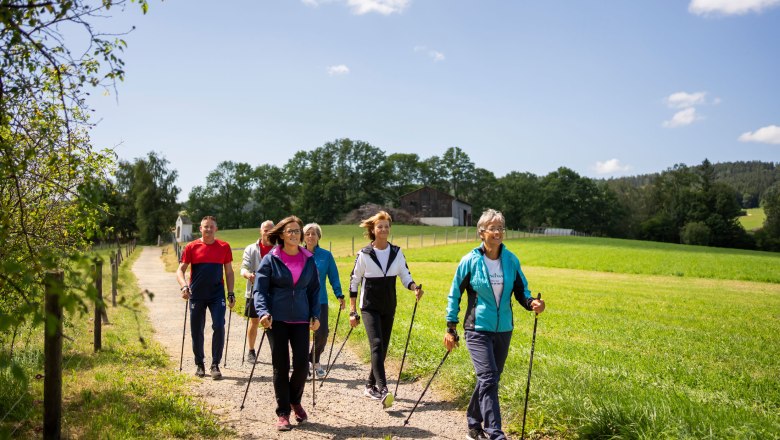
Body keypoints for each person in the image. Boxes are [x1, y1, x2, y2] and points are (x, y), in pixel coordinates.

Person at [444, 209, 546, 440]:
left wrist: (533, 303)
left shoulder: (510, 260)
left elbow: (521, 291)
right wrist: (451, 327)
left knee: (490, 379)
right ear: (482, 232)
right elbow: (454, 294)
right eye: (493, 228)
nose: (498, 232)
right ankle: (495, 433)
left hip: (504, 329)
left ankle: (473, 422)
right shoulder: (469, 261)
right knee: (489, 378)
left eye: (501, 227)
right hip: (477, 328)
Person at [348, 210, 423, 409]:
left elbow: (405, 275)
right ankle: (383, 390)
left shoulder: (397, 253)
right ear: (373, 229)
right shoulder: (364, 254)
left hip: (389, 305)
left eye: (386, 226)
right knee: (377, 344)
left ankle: (370, 385)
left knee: (383, 348)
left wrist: (414, 288)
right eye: (379, 226)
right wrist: (352, 310)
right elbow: (354, 281)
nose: (383, 229)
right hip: (369, 306)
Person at [254, 215, 321, 432]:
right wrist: (263, 312)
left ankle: (294, 400)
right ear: (282, 234)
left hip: (301, 318)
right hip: (277, 319)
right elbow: (260, 290)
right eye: (290, 231)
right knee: (280, 366)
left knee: (302, 365)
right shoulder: (271, 258)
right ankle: (283, 412)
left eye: (297, 231)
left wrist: (315, 314)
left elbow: (314, 290)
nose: (294, 234)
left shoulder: (308, 258)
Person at [176, 216, 236, 380]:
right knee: (197, 329)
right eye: (205, 227)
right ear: (200, 229)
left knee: (218, 325)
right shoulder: (191, 247)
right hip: (197, 294)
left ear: (216, 229)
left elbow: (229, 272)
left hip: (217, 295)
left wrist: (231, 293)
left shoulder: (224, 247)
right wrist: (183, 287)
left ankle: (215, 364)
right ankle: (199, 364)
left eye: (211, 227)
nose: (208, 229)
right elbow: (180, 270)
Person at [303, 223, 345, 378]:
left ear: (319, 237)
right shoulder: (298, 254)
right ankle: (303, 365)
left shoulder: (326, 256)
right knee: (301, 334)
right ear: (303, 237)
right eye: (307, 233)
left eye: (314, 233)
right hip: (300, 300)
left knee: (322, 333)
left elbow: (334, 277)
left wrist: (339, 294)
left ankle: (314, 359)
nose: (310, 236)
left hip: (320, 300)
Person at [240, 219, 275, 363]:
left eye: (271, 230)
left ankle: (276, 352)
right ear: (260, 231)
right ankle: (251, 350)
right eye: (265, 230)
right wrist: (249, 275)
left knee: (274, 323)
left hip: (274, 293)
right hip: (254, 292)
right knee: (254, 321)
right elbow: (243, 268)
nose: (268, 232)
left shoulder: (279, 249)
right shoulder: (251, 249)